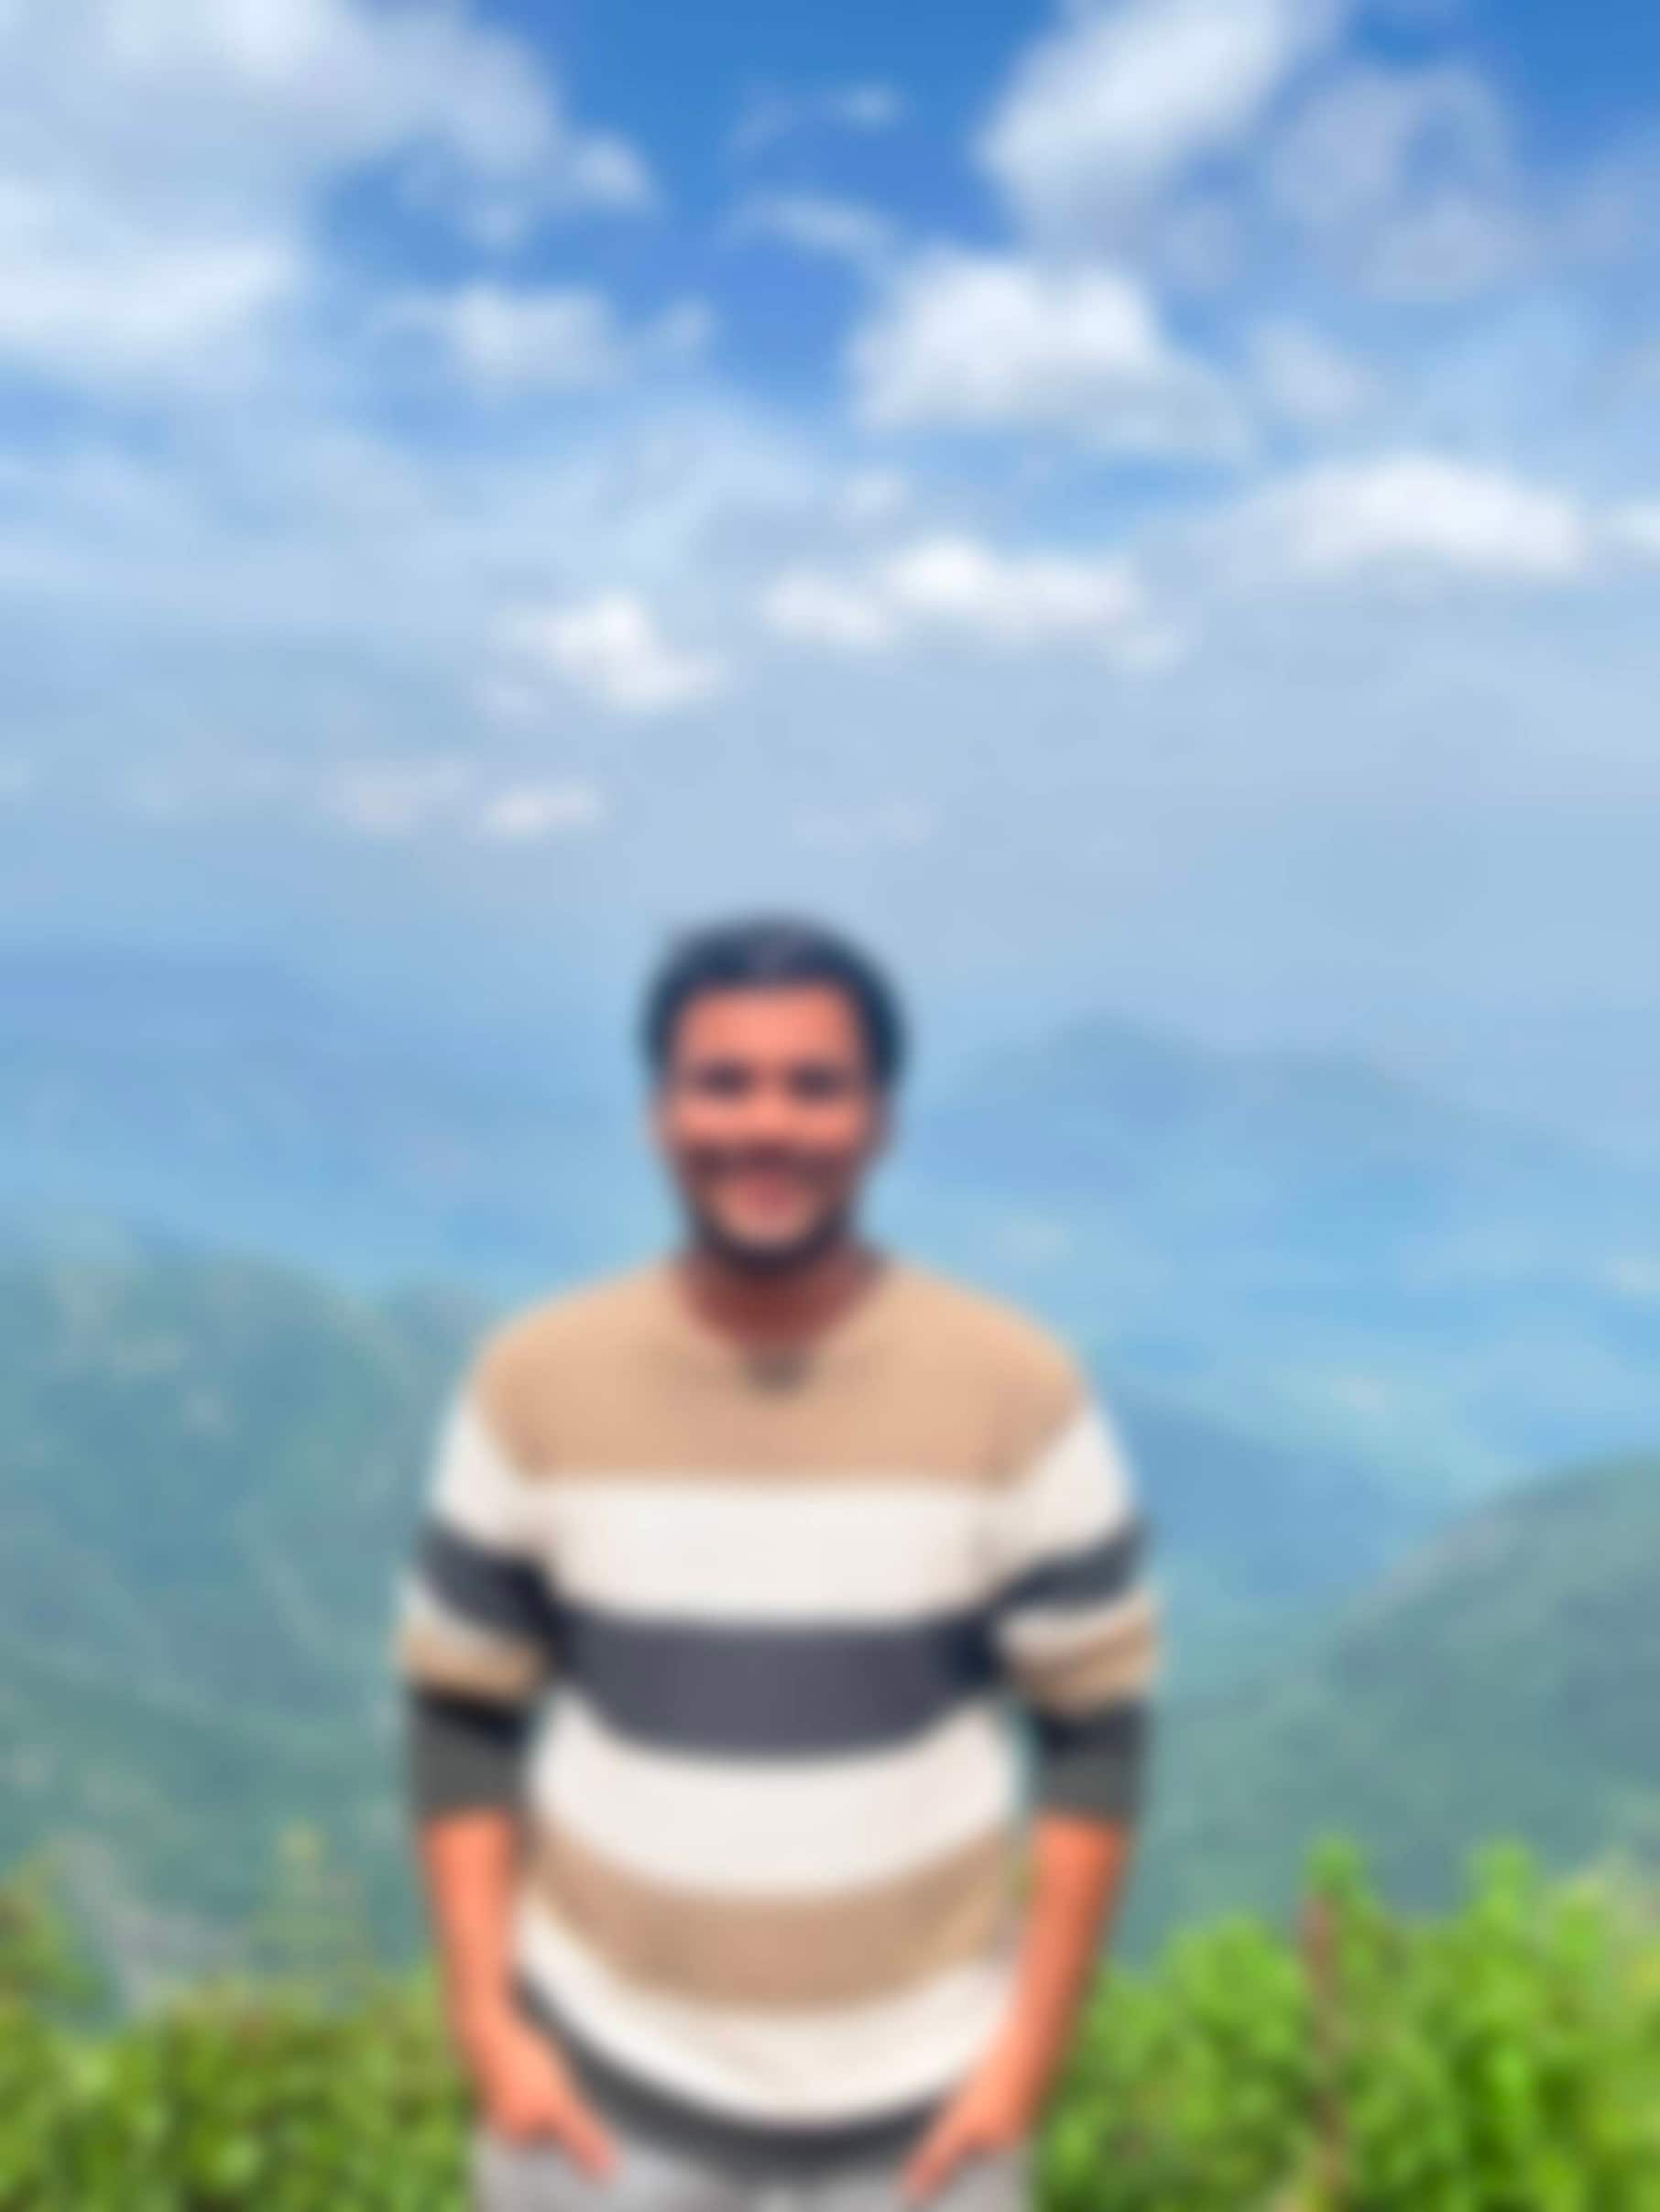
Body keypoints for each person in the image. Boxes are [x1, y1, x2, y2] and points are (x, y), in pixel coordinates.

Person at [390, 913, 1163, 2212]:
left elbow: (1095, 1731)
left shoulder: (1017, 1393)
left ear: (880, 1121)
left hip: (925, 2136)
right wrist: (488, 2025)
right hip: (598, 2116)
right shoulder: (534, 1385)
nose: (767, 1124)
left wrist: (1024, 2064)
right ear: (660, 1112)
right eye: (723, 1081)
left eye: (815, 1085)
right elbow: (461, 1709)